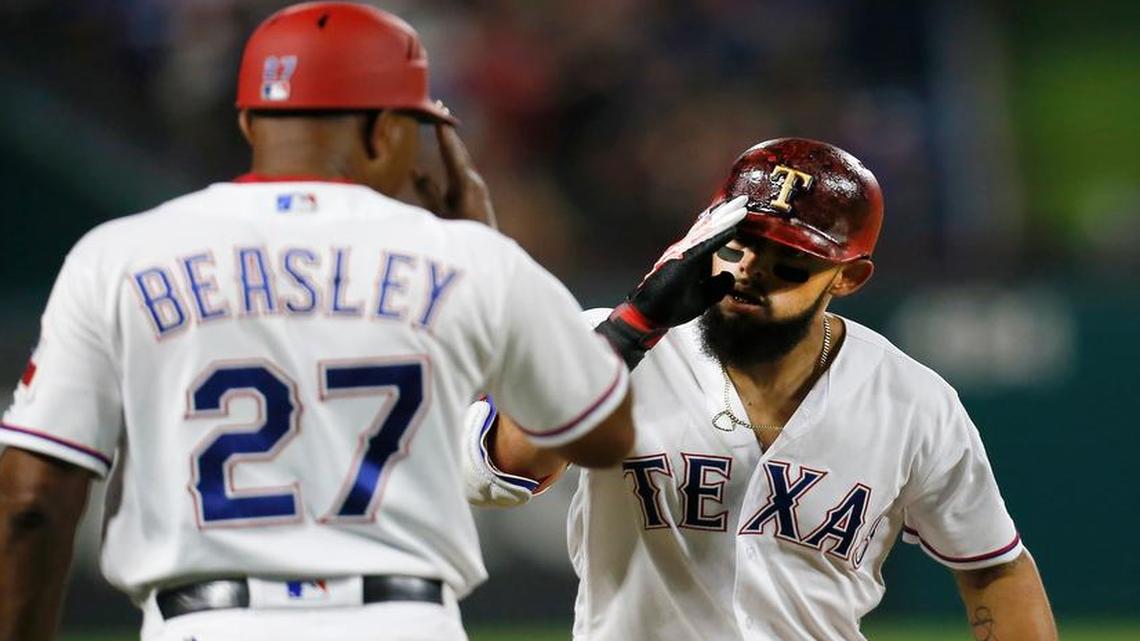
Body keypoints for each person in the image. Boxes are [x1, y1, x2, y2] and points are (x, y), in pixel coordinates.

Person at [0, 4, 640, 641]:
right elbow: (602, 435)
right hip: (400, 621)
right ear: (386, 130)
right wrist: (483, 243)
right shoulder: (468, 258)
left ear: (250, 120)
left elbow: (31, 501)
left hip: (205, 623)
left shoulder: (119, 255)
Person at [465, 138, 1058, 640]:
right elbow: (492, 473)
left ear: (848, 277)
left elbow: (994, 568)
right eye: (737, 242)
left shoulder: (912, 401)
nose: (750, 271)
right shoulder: (606, 346)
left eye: (790, 263)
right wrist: (636, 325)